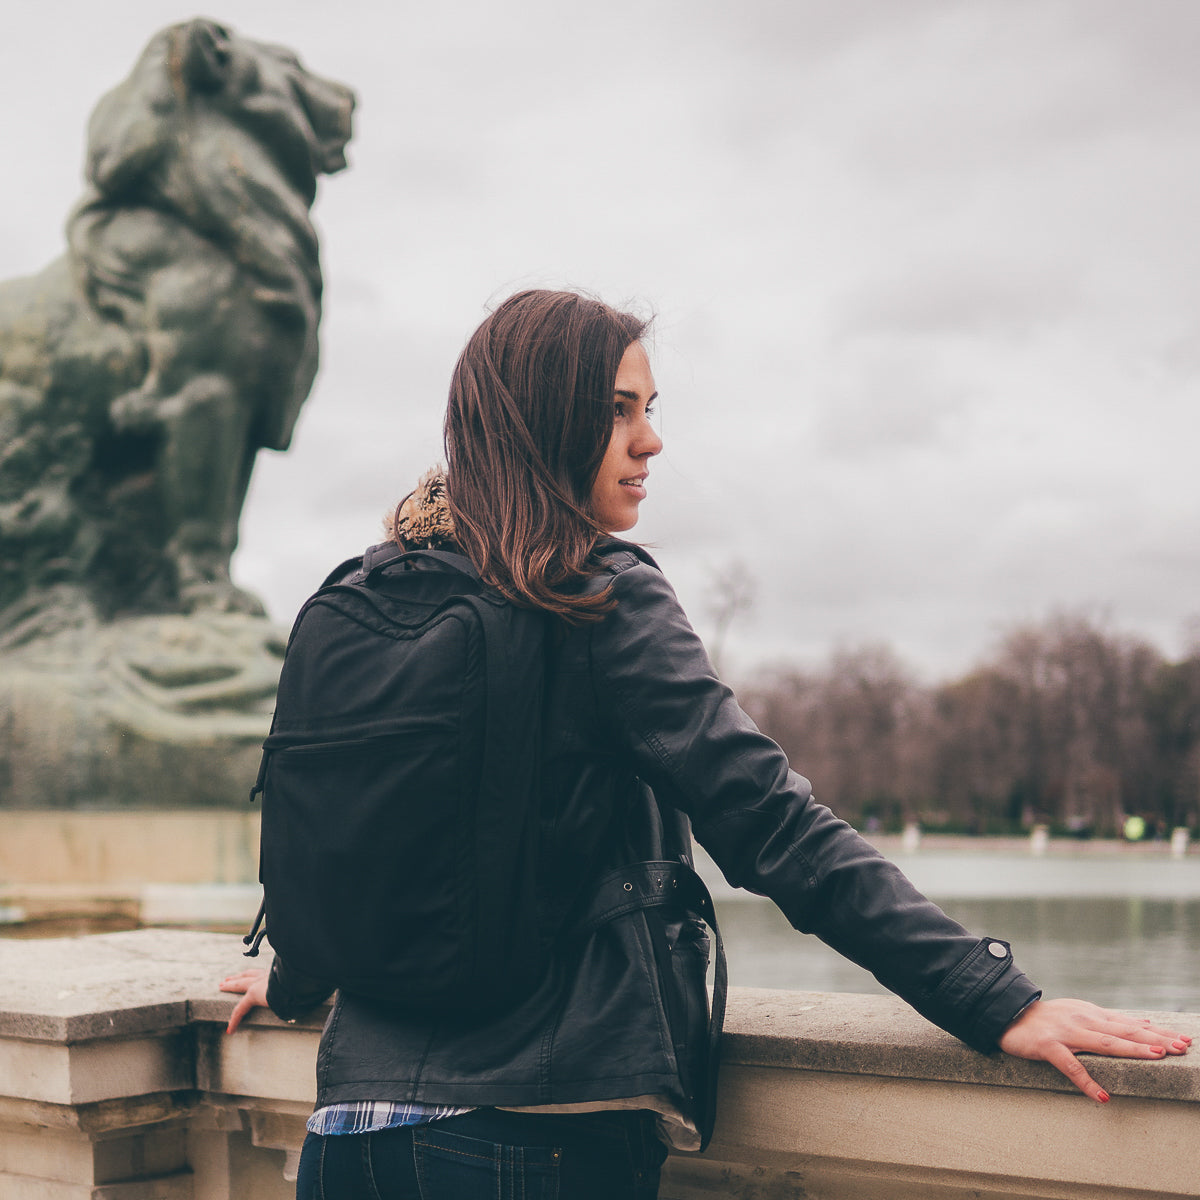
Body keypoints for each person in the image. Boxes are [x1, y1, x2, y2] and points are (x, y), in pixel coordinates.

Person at [221, 288, 1190, 1200]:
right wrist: (995, 999)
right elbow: (770, 823)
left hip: (347, 1135)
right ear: (545, 420)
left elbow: (363, 835)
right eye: (617, 410)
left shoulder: (372, 595)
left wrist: (296, 975)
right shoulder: (592, 593)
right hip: (530, 1131)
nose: (650, 440)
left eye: (648, 407)